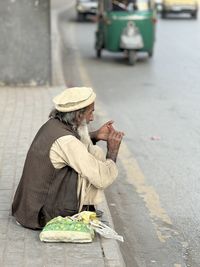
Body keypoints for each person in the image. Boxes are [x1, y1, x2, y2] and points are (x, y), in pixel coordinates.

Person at [12, 87, 124, 230]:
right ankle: (81, 210)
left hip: (27, 209)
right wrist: (112, 152)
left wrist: (95, 135)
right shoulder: (66, 141)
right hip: (41, 215)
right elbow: (102, 178)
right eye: (91, 112)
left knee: (93, 151)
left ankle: (85, 205)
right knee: (95, 162)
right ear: (78, 116)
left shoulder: (53, 124)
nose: (92, 118)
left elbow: (76, 143)